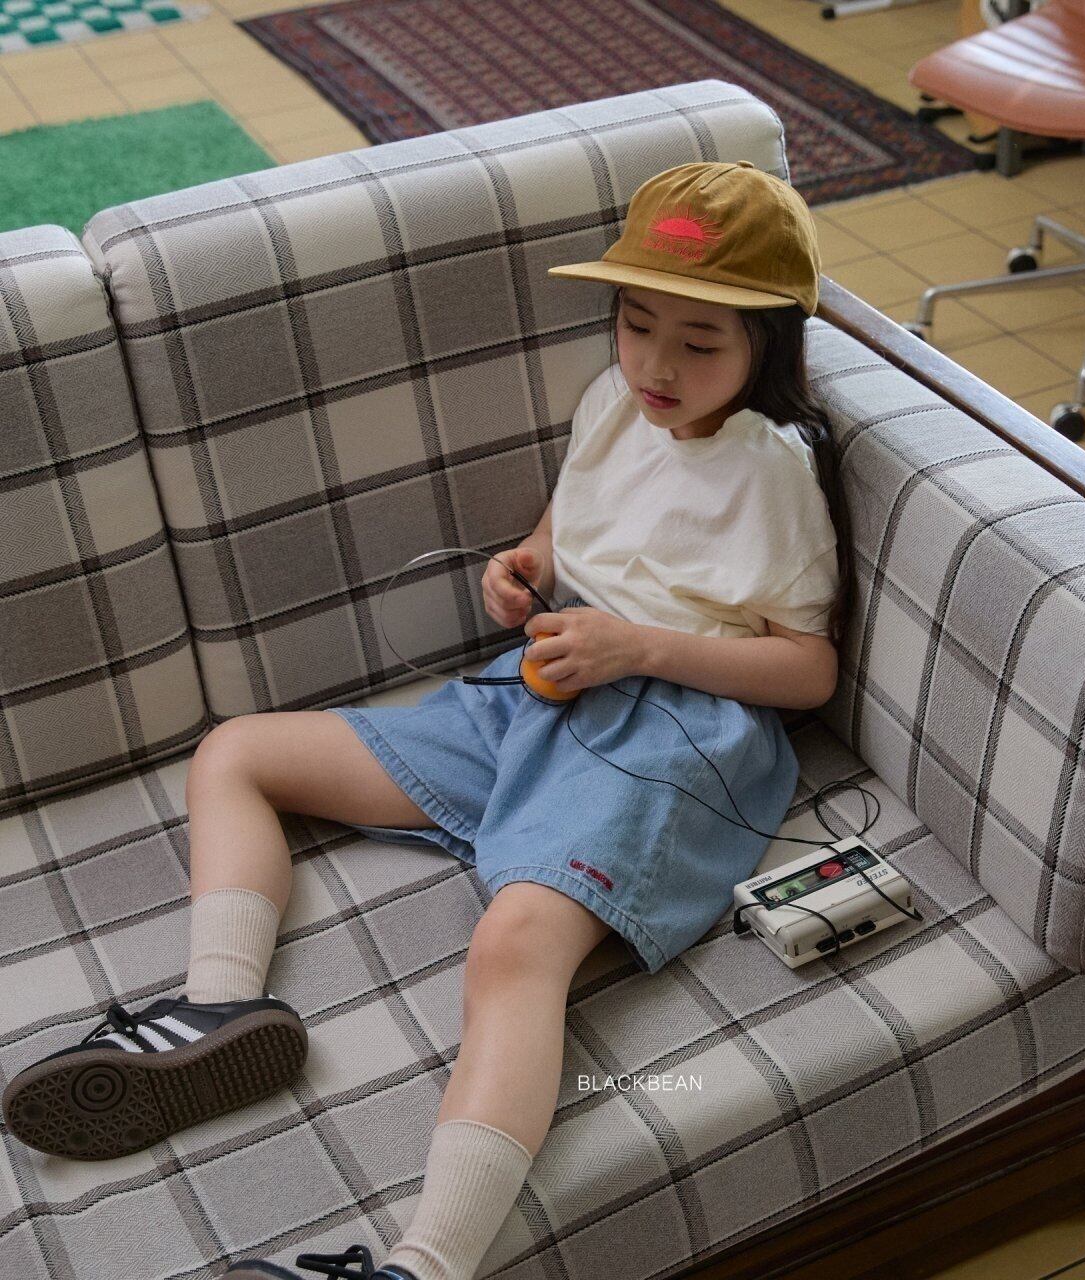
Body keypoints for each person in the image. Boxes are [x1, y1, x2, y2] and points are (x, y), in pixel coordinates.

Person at [1, 160, 850, 1280]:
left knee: (514, 943)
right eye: (635, 324)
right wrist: (526, 564)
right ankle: (220, 1012)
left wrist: (636, 646)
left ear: (765, 346)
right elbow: (578, 520)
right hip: (541, 688)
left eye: (698, 342)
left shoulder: (773, 470)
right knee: (238, 752)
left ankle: (424, 1266)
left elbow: (808, 671)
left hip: (677, 736)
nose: (654, 364)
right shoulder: (615, 402)